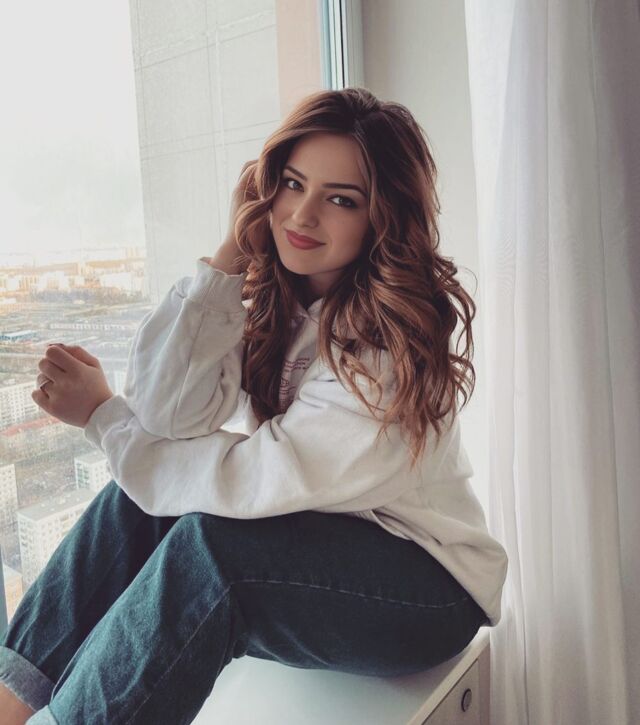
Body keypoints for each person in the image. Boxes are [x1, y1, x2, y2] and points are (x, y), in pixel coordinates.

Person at [0, 87, 507, 724]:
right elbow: (167, 414)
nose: (303, 215)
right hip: (318, 545)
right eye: (292, 184)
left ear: (381, 218)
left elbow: (255, 479)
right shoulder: (282, 300)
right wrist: (228, 257)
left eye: (341, 199)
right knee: (134, 499)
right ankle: (9, 703)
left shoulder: (386, 353)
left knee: (213, 551)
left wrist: (105, 418)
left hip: (426, 590)